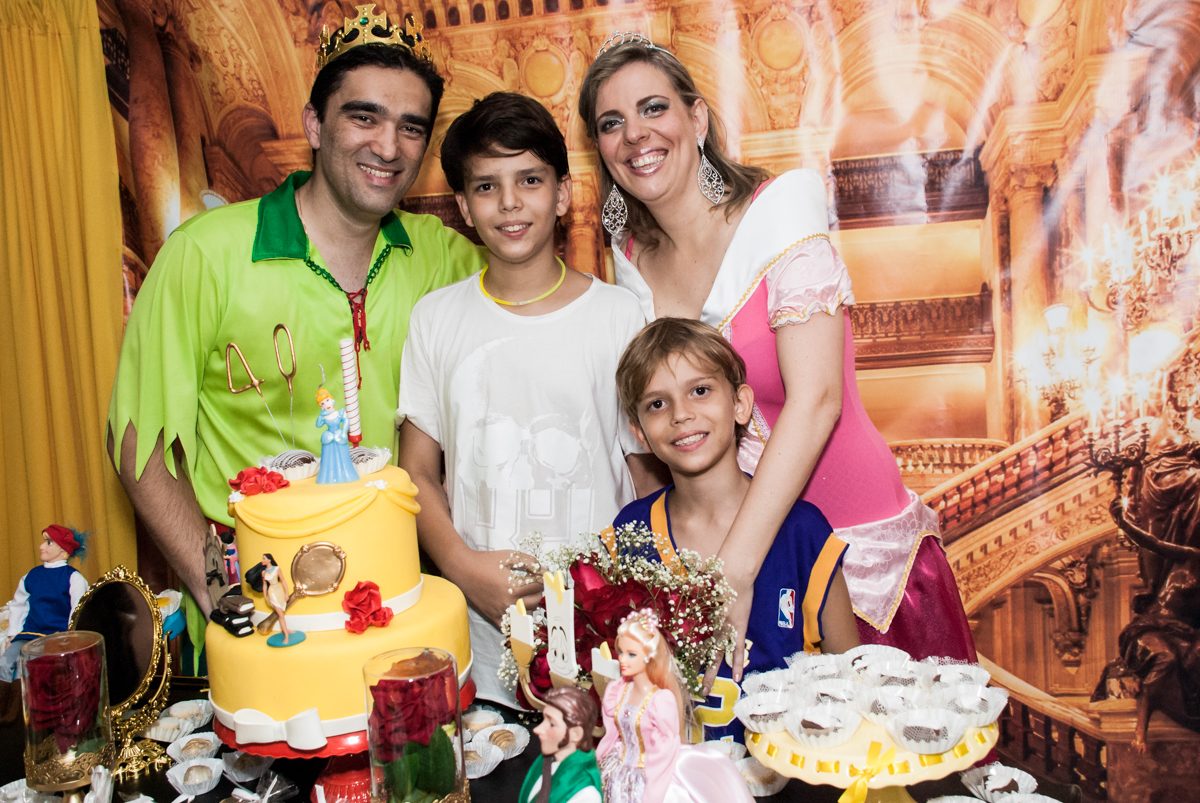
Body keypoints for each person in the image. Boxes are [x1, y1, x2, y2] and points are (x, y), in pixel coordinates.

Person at [578, 34, 976, 675]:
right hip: (733, 557)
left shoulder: (781, 211)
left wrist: (731, 573)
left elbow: (817, 403)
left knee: (891, 763)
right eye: (611, 122)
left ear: (697, 119)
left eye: (654, 108)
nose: (635, 135)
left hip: (856, 548)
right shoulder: (628, 261)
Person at [106, 12, 486, 617]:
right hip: (266, 616)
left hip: (399, 607)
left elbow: (543, 303)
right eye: (364, 116)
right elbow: (140, 445)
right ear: (314, 123)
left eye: (411, 127)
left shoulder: (445, 257)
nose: (388, 147)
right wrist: (220, 589)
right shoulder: (206, 253)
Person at [397, 92, 656, 707]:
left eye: (530, 180)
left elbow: (645, 479)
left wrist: (636, 602)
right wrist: (463, 567)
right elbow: (416, 473)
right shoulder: (436, 318)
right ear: (462, 206)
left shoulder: (620, 315)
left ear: (563, 194)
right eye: (486, 187)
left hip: (603, 636)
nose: (510, 203)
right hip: (480, 642)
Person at [609, 318, 860, 740]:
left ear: (741, 404)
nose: (681, 414)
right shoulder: (628, 535)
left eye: (700, 390)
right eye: (657, 404)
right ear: (639, 432)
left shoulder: (802, 532)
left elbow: (853, 682)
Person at [596, 610, 753, 803]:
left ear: (648, 656)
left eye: (631, 654)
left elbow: (664, 748)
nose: (622, 659)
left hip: (653, 773)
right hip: (617, 770)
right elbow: (611, 735)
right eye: (620, 652)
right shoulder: (617, 691)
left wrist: (652, 791)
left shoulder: (659, 700)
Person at [0, 526, 90, 681]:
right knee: (5, 663)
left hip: (56, 637)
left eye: (49, 543)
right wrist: (12, 635)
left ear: (64, 550)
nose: (41, 546)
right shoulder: (32, 576)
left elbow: (78, 611)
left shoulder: (73, 578)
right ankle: (6, 701)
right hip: (28, 634)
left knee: (30, 669)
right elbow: (18, 605)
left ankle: (24, 701)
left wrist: (70, 639)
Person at [520, 686, 603, 803]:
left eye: (552, 724)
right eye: (543, 720)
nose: (538, 729)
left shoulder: (585, 794)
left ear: (575, 734)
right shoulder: (543, 763)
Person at [245, 554, 299, 646]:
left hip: (279, 590)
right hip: (272, 592)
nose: (262, 560)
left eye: (264, 558)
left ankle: (284, 629)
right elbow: (265, 584)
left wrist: (286, 593)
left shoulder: (277, 569)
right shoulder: (263, 572)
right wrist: (266, 596)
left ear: (269, 560)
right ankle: (286, 635)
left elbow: (283, 580)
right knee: (280, 615)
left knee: (282, 611)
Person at [315, 388, 356, 484]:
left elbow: (346, 421)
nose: (326, 404)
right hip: (328, 438)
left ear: (332, 400)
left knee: (343, 457)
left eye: (327, 400)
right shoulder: (324, 416)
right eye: (322, 403)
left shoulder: (340, 413)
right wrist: (320, 416)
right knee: (328, 458)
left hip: (339, 436)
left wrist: (343, 432)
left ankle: (345, 476)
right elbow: (318, 425)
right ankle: (328, 477)